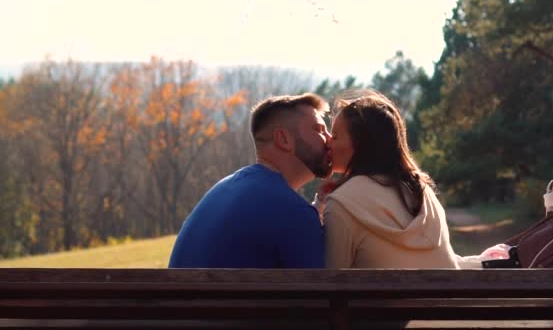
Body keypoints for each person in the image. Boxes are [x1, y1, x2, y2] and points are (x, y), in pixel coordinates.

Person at [169, 93, 332, 268]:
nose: (330, 139)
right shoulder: (294, 213)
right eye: (319, 130)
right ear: (283, 140)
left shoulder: (225, 189)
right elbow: (319, 291)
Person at [319, 90, 460, 268]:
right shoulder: (423, 191)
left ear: (361, 144)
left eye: (336, 136)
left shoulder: (341, 203)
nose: (328, 142)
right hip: (447, 295)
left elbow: (333, 280)